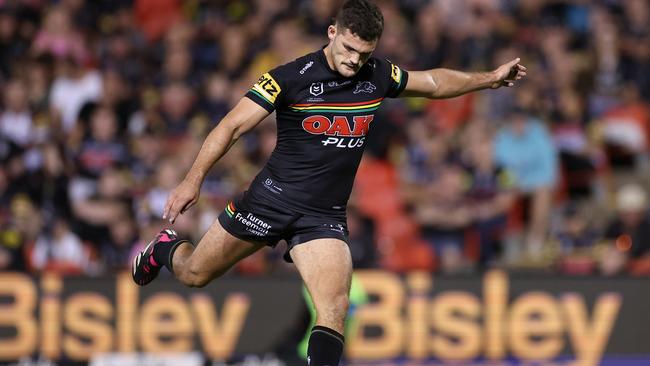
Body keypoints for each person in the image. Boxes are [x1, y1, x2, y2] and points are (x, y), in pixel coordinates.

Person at [131, 1, 526, 364]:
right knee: (194, 274)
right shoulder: (289, 78)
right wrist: (191, 180)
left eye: (365, 53)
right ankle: (166, 248)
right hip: (268, 202)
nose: (355, 61)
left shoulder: (378, 74)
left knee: (334, 308)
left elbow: (434, 84)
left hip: (322, 216)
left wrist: (489, 78)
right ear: (332, 32)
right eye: (349, 49)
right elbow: (232, 125)